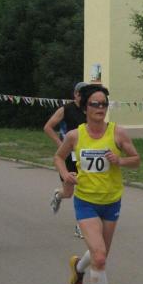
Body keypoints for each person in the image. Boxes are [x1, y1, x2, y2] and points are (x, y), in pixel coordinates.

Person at [54, 84, 140, 284]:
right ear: (85, 107)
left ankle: (78, 267)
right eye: (95, 103)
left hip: (111, 201)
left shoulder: (117, 133)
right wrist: (65, 174)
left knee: (99, 254)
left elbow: (136, 160)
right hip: (86, 201)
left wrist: (120, 160)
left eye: (104, 104)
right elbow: (58, 157)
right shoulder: (75, 135)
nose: (100, 108)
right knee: (100, 257)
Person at [43, 81, 87, 238]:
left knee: (84, 189)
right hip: (69, 156)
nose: (83, 97)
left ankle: (81, 225)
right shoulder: (66, 109)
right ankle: (58, 195)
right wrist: (61, 144)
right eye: (80, 93)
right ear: (75, 94)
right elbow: (48, 127)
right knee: (68, 193)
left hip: (86, 155)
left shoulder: (91, 109)